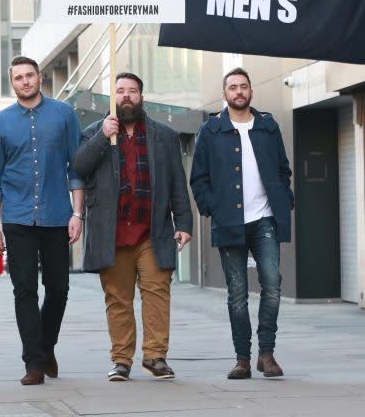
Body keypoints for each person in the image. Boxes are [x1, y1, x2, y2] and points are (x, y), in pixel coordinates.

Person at [72, 72, 193, 381]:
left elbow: (178, 183)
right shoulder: (93, 132)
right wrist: (102, 135)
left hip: (152, 231)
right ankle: (122, 359)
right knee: (118, 297)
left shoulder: (164, 135)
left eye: (132, 91)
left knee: (157, 292)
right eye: (120, 91)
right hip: (111, 232)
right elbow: (79, 169)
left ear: (142, 96)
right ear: (112, 98)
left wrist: (184, 222)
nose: (126, 96)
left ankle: (155, 356)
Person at [0, 55, 84, 385]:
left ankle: (46, 344)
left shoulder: (64, 114)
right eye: (18, 78)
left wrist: (77, 213)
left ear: (39, 77)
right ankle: (34, 363)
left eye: (30, 75)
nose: (25, 81)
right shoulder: (0, 121)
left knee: (58, 288)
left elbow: (76, 168)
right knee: (24, 289)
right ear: (11, 83)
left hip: (57, 215)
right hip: (17, 218)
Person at [190, 67, 294, 380]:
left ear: (250, 91)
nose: (239, 91)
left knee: (272, 285)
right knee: (236, 293)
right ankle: (242, 359)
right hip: (230, 222)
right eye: (233, 87)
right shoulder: (211, 130)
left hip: (264, 219)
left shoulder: (267, 126)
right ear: (225, 94)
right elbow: (199, 178)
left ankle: (266, 353)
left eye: (243, 86)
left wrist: (284, 198)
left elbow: (283, 169)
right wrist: (213, 209)